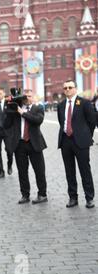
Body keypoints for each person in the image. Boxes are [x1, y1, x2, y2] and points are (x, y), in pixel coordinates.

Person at [4, 89, 48, 204]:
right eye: (25, 96)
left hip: (35, 144)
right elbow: (6, 125)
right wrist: (9, 109)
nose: (27, 98)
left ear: (33, 97)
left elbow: (37, 120)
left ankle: (42, 194)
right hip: (20, 144)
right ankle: (25, 195)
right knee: (22, 171)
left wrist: (22, 112)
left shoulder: (38, 108)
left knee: (39, 171)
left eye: (29, 96)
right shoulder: (16, 109)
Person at [58, 80, 96, 209]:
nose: (67, 89)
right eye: (65, 88)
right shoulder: (61, 105)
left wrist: (86, 135)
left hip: (81, 142)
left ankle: (89, 198)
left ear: (75, 89)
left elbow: (92, 121)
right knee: (69, 172)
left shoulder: (84, 103)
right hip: (65, 141)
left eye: (70, 87)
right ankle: (73, 197)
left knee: (85, 170)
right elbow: (61, 121)